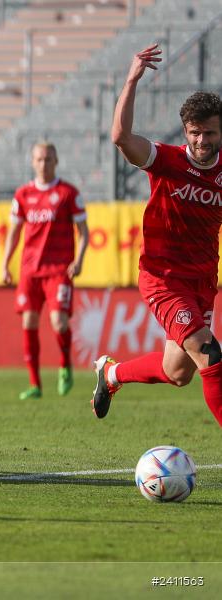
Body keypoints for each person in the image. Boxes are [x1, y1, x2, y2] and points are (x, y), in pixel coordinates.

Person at [91, 44, 222, 426]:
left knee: (179, 372)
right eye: (195, 133)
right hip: (163, 278)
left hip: (202, 280)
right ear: (186, 131)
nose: (201, 141)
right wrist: (131, 79)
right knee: (211, 358)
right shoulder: (166, 160)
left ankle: (112, 374)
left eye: (210, 133)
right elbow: (120, 136)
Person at [2, 143, 89, 400]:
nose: (44, 164)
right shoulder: (23, 195)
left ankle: (65, 365)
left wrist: (80, 260)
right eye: (39, 159)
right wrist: (5, 263)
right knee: (29, 322)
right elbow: (14, 233)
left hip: (59, 270)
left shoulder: (68, 193)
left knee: (58, 322)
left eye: (48, 159)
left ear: (56, 161)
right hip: (30, 270)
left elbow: (84, 232)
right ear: (33, 162)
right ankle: (35, 384)